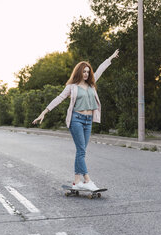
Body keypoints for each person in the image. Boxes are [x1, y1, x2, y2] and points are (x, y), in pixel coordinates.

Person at [32, 49, 119, 191]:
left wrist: (111, 57)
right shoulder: (71, 87)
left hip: (88, 120)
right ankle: (87, 180)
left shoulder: (92, 84)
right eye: (83, 71)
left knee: (81, 151)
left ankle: (76, 181)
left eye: (88, 71)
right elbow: (59, 98)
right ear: (79, 72)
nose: (86, 74)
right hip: (76, 120)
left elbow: (101, 69)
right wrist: (44, 112)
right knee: (81, 151)